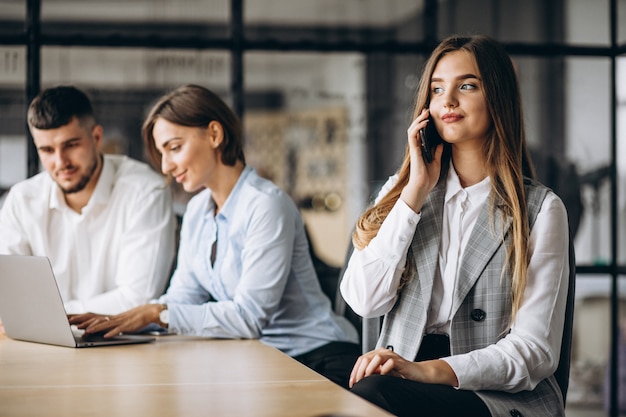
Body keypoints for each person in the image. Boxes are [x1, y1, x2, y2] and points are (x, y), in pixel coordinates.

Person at [70, 84, 361, 388]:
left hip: (318, 359)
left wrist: (157, 313)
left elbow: (249, 317)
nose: (167, 166)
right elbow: (183, 297)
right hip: (260, 357)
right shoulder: (197, 210)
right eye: (161, 153)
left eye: (174, 147)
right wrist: (119, 321)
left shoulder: (266, 204)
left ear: (214, 134)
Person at [339, 34, 571, 417]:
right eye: (436, 88)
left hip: (493, 392)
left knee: (373, 396)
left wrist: (427, 371)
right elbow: (364, 301)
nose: (447, 100)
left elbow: (535, 352)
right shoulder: (403, 194)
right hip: (397, 377)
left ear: (497, 96)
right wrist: (414, 191)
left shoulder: (541, 209)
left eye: (467, 86)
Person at [0, 86, 176, 316]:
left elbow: (137, 299)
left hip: (125, 345)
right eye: (47, 150)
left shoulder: (146, 192)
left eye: (71, 145)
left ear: (96, 137)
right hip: (41, 344)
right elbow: (10, 295)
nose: (60, 161)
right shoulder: (22, 200)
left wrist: (48, 316)